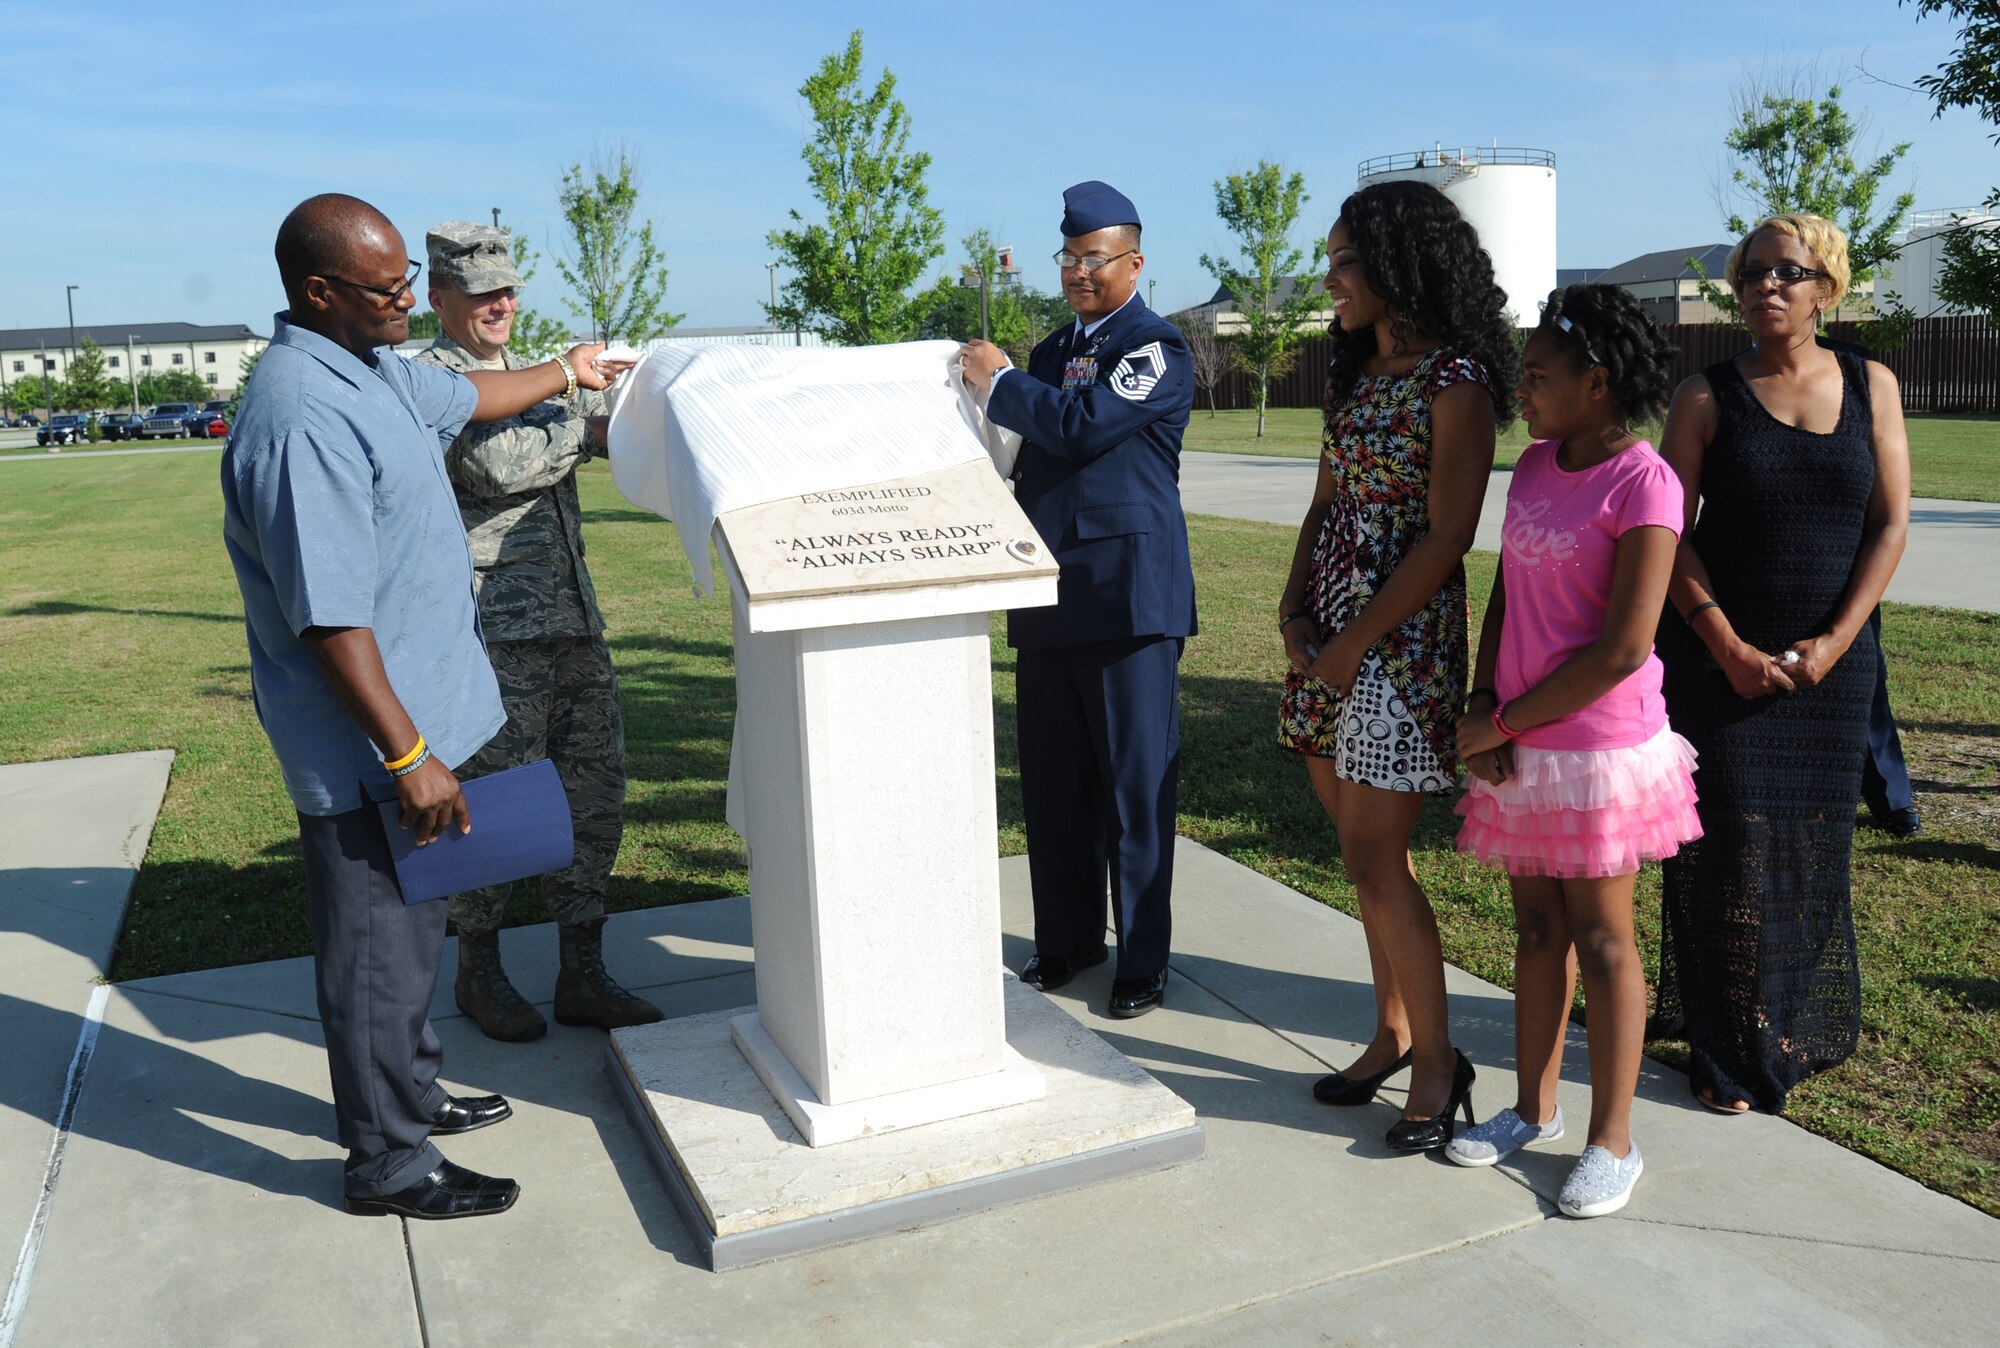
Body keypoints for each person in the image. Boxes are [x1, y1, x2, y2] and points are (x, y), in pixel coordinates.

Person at [221, 193, 622, 1219]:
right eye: (387, 286)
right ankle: (388, 1165)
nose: (406, 298)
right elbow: (330, 618)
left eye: (406, 280)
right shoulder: (302, 410)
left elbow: (471, 402)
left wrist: (568, 372)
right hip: (372, 751)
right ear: (318, 291)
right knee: (374, 956)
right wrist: (407, 756)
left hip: (421, 727)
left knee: (415, 939)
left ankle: (413, 1094)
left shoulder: (367, 366)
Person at [1445, 285, 1700, 1218]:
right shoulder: (1537, 463)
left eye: (1540, 375)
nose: (1525, 388)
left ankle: (1613, 1142)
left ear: (1598, 383)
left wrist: (1503, 727)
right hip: (1516, 739)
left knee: (1602, 940)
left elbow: (1625, 647)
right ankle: (1531, 1110)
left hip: (1596, 752)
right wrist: (1484, 702)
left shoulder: (1646, 483)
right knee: (1538, 933)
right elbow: (1508, 592)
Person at [1275, 179, 1518, 1151]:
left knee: (1379, 857)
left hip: (1395, 645)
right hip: (1323, 635)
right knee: (1359, 858)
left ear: (1394, 265)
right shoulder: (1349, 371)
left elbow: (1445, 537)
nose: (1328, 280)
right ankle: (1390, 1030)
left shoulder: (1452, 379)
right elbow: (1324, 502)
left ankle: (1435, 1063)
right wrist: (1294, 607)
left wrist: (1348, 644)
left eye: (1343, 261)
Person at [1654, 213, 1911, 1115]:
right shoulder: (1703, 395)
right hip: (1719, 660)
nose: (1767, 287)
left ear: (1826, 287)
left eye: (1787, 273)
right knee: (1728, 848)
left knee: (1809, 844)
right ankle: (1727, 1046)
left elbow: (1888, 524)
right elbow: (1664, 537)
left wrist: (1835, 645)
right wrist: (1723, 643)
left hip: (1830, 666)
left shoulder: (1872, 384)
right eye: (1753, 273)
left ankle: (1786, 1022)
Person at [412, 221, 660, 1043]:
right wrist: (579, 427)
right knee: (493, 804)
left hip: (574, 624)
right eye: (481, 294)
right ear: (441, 300)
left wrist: (617, 395)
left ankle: (582, 970)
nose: (499, 305)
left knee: (594, 795)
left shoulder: (539, 376)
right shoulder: (431, 382)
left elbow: (621, 419)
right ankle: (479, 971)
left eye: (508, 291)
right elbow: (493, 467)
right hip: (495, 636)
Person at [956, 181, 1195, 1019]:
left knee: (1134, 794)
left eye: (1092, 258)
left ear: (1133, 262)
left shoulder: (1156, 349)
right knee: (1055, 789)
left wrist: (1005, 382)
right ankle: (1065, 941)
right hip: (1049, 593)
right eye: (1068, 257)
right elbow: (1025, 440)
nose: (1076, 271)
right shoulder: (1054, 349)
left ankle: (1143, 959)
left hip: (1130, 601)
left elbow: (1083, 425)